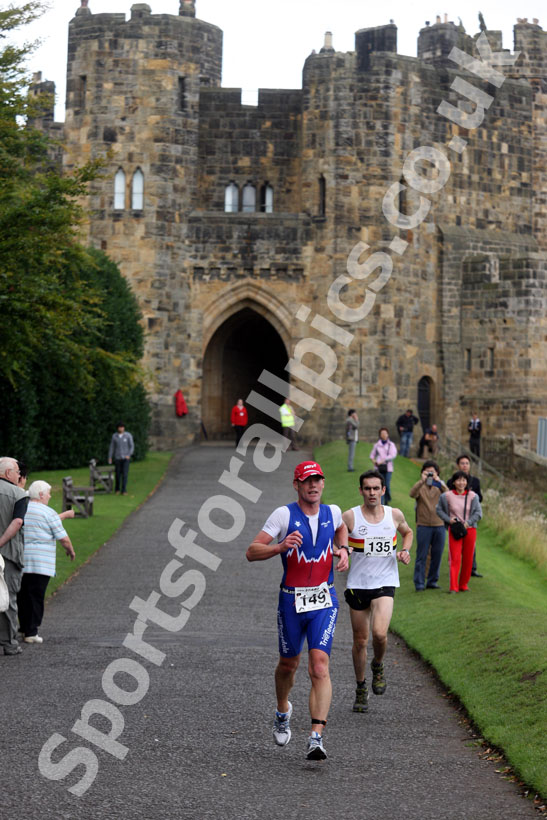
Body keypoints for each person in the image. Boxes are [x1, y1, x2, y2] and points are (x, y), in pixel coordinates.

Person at [246, 461, 349, 760]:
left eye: (317, 480)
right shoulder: (283, 515)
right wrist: (279, 547)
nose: (313, 486)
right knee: (287, 665)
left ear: (323, 484)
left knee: (319, 665)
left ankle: (316, 737)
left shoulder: (332, 512)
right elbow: (251, 551)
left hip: (324, 599)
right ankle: (282, 710)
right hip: (291, 601)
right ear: (297, 485)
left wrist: (343, 549)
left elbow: (342, 529)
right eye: (307, 481)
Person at [342, 470, 412, 713]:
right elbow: (336, 541)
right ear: (361, 490)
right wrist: (343, 550)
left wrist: (405, 550)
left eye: (376, 488)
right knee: (360, 641)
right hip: (358, 584)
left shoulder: (394, 514)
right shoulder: (350, 517)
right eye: (367, 488)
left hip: (385, 582)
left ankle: (378, 664)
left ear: (383, 490)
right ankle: (361, 687)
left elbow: (408, 532)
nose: (371, 493)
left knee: (380, 634)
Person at [17, 481, 76, 644]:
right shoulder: (48, 512)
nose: (50, 496)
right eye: (49, 493)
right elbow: (63, 538)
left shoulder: (23, 509)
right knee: (36, 596)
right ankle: (31, 631)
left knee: (23, 595)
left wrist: (63, 515)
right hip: (41, 563)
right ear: (41, 495)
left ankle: (23, 628)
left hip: (22, 560)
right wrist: (70, 551)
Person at [0, 457, 29, 656]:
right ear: (8, 473)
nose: (20, 475)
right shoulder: (19, 494)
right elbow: (17, 522)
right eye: (18, 471)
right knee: (8, 598)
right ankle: (9, 643)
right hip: (8, 553)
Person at [436, 471, 482, 593]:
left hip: (470, 529)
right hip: (455, 529)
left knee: (468, 558)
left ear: (467, 482)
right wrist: (448, 520)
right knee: (455, 558)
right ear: (454, 482)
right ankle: (453, 586)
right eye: (458, 480)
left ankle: (463, 584)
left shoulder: (473, 496)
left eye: (464, 480)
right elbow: (439, 510)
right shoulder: (446, 496)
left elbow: (478, 513)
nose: (461, 483)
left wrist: (468, 522)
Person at [409, 461, 447, 591]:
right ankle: (419, 583)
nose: (430, 474)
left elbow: (448, 497)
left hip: (439, 524)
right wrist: (422, 481)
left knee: (437, 554)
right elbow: (412, 494)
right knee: (422, 555)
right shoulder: (421, 486)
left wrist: (439, 481)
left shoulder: (440, 486)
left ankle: (432, 581)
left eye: (433, 471)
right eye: (427, 471)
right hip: (423, 525)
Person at [447, 455, 483, 577]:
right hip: (456, 518)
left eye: (467, 463)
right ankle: (454, 568)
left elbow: (480, 497)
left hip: (470, 517)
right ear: (458, 465)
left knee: (471, 546)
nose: (465, 465)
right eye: (462, 463)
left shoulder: (475, 481)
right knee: (455, 544)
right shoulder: (451, 481)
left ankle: (472, 568)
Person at [369, 427, 397, 504]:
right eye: (382, 433)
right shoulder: (377, 445)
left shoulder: (391, 445)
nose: (384, 435)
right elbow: (372, 455)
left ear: (387, 434)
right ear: (380, 435)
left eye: (385, 433)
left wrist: (383, 460)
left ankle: (387, 500)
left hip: (388, 468)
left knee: (386, 485)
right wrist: (374, 461)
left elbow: (393, 455)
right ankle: (381, 503)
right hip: (379, 468)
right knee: (380, 485)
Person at [108, 422, 135, 495]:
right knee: (117, 474)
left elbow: (131, 446)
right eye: (120, 427)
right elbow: (112, 447)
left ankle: (124, 490)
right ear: (118, 428)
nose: (121, 428)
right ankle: (117, 489)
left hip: (125, 458)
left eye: (122, 427)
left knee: (125, 474)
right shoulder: (114, 436)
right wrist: (110, 457)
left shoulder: (128, 435)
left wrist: (129, 455)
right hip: (117, 458)